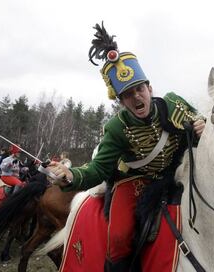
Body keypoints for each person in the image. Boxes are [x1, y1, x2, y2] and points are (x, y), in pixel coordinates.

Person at [49, 23, 205, 271]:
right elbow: (98, 169)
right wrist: (71, 175)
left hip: (177, 173)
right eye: (128, 94)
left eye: (139, 89)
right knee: (119, 237)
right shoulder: (116, 128)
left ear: (149, 88)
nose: (136, 97)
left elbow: (199, 124)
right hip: (134, 181)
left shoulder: (174, 103)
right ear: (121, 101)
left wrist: (202, 128)